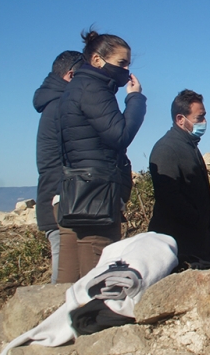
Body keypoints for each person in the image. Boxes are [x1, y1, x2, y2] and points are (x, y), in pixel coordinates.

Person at [57, 29, 146, 283]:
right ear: (97, 60)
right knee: (95, 273)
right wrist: (136, 100)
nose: (126, 70)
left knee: (69, 280)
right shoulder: (94, 89)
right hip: (96, 196)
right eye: (121, 63)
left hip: (76, 192)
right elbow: (119, 135)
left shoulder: (76, 88)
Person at [148, 90, 210, 268]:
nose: (204, 122)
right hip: (180, 249)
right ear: (181, 119)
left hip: (198, 244)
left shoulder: (189, 147)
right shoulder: (166, 149)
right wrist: (197, 220)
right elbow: (169, 198)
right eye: (199, 118)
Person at [33, 50, 84, 283]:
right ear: (71, 75)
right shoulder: (60, 108)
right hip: (61, 205)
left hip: (59, 202)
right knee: (63, 283)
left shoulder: (54, 106)